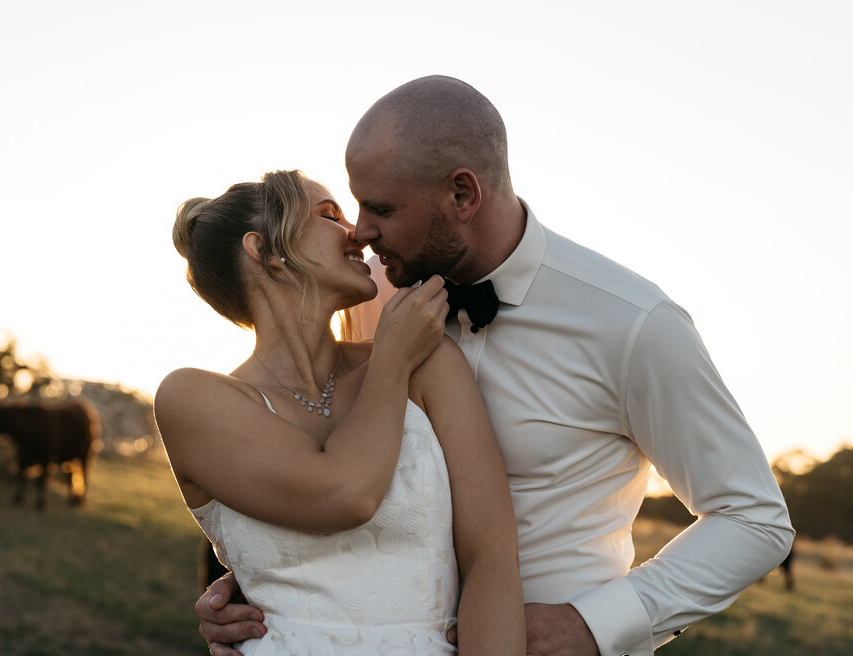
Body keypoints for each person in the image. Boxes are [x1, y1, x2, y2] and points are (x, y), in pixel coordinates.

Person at [197, 77, 795, 656]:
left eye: (380, 207)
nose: (361, 230)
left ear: (463, 195)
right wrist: (262, 578)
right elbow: (324, 456)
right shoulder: (370, 296)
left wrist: (595, 626)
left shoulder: (634, 324)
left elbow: (754, 518)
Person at [157, 170, 525, 655]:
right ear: (263, 250)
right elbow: (345, 495)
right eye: (329, 215)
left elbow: (492, 559)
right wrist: (390, 360)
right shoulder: (192, 399)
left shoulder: (431, 364)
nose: (356, 232)